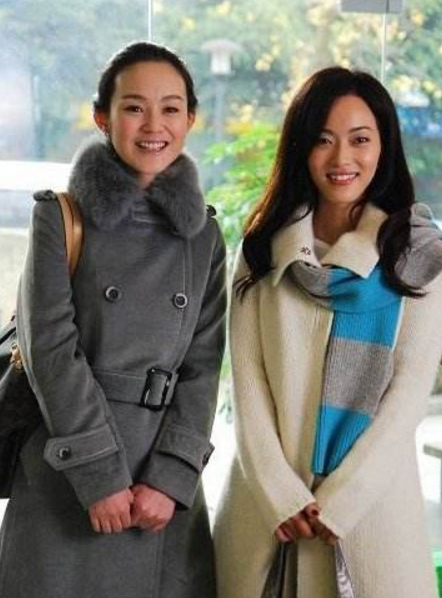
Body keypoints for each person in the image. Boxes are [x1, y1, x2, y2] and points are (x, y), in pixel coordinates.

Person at [213, 67, 442, 598]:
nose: (341, 158)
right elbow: (248, 385)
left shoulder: (418, 257)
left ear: (384, 146)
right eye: (323, 139)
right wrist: (281, 495)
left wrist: (342, 502)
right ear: (300, 147)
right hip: (265, 517)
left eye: (360, 139)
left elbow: (406, 402)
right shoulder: (262, 249)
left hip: (374, 518)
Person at [0, 41, 226, 598]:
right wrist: (99, 474)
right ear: (102, 117)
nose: (154, 125)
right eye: (133, 107)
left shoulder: (205, 235)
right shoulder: (60, 217)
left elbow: (203, 367)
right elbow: (51, 350)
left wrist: (170, 479)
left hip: (158, 493)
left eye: (170, 108)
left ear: (190, 119)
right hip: (68, 469)